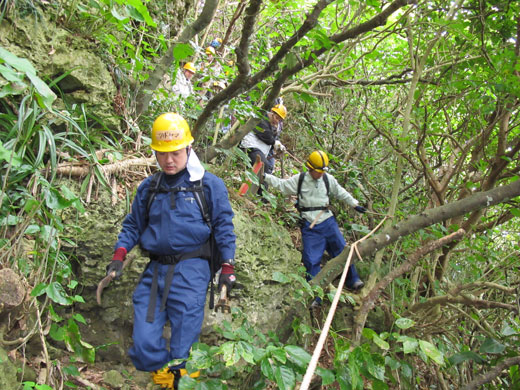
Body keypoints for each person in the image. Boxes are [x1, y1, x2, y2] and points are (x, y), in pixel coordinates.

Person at [106, 113, 236, 389]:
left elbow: (224, 227)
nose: (168, 160)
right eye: (162, 153)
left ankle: (181, 382)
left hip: (192, 269)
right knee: (143, 340)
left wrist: (227, 266)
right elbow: (133, 225)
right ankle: (162, 377)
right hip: (156, 270)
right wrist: (119, 255)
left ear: (189, 149)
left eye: (175, 153)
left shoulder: (208, 185)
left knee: (183, 344)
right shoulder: (149, 188)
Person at [263, 150, 366, 305]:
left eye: (322, 171)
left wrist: (355, 204)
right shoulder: (301, 179)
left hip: (328, 221)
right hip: (310, 227)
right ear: (310, 168)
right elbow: (282, 186)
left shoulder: (328, 179)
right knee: (311, 260)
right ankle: (315, 296)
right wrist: (264, 177)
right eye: (318, 171)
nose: (320, 174)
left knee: (342, 250)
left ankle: (353, 280)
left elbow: (341, 193)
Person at [240, 103, 287, 170]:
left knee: (269, 168)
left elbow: (273, 137)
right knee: (264, 168)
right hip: (250, 148)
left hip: (260, 151)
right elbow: (265, 134)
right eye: (276, 118)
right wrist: (274, 142)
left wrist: (279, 145)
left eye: (279, 120)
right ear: (271, 112)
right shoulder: (261, 118)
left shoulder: (273, 126)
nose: (277, 121)